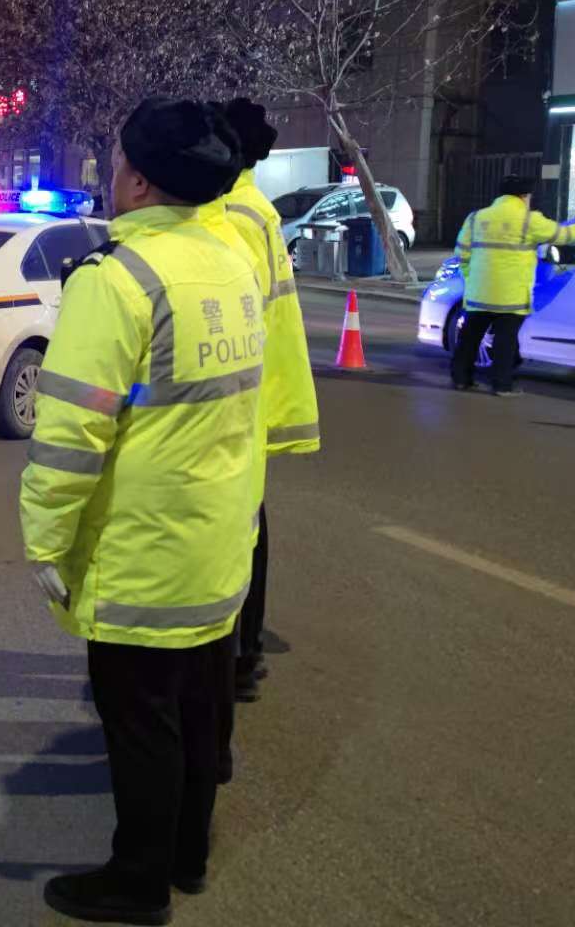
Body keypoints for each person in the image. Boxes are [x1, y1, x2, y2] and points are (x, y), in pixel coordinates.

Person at [20, 97, 265, 925]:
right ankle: (188, 856)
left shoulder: (117, 278)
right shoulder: (232, 262)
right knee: (200, 709)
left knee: (140, 720)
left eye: (116, 159)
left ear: (137, 180)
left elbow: (69, 435)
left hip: (142, 549)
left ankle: (137, 881)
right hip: (218, 536)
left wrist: (45, 540)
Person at [199, 99, 320, 774]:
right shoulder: (250, 206)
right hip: (248, 396)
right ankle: (240, 658)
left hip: (232, 400)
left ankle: (238, 659)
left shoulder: (234, 216)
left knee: (239, 533)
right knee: (248, 523)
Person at [450, 175, 575, 396]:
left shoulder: (476, 218)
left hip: (479, 293)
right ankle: (502, 385)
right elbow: (563, 235)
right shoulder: (529, 220)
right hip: (511, 296)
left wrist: (472, 280)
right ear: (525, 196)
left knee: (469, 338)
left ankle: (461, 379)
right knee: (505, 341)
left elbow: (462, 254)